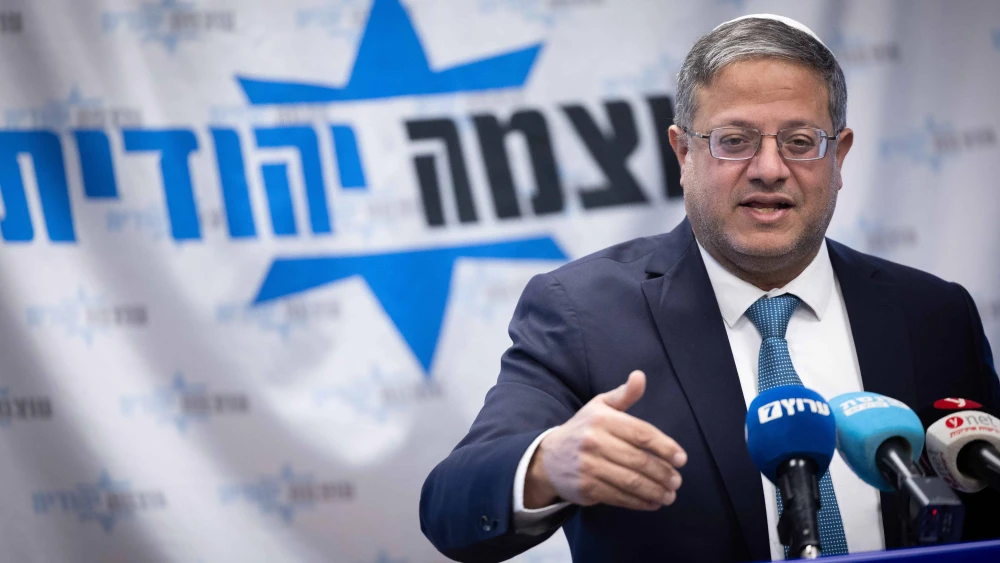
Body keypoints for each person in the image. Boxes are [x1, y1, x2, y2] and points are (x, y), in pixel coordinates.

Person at [419, 14, 1000, 563]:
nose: (770, 168)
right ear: (683, 153)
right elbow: (451, 507)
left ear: (839, 157)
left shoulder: (933, 313)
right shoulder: (583, 313)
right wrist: (547, 464)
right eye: (734, 140)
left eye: (800, 141)